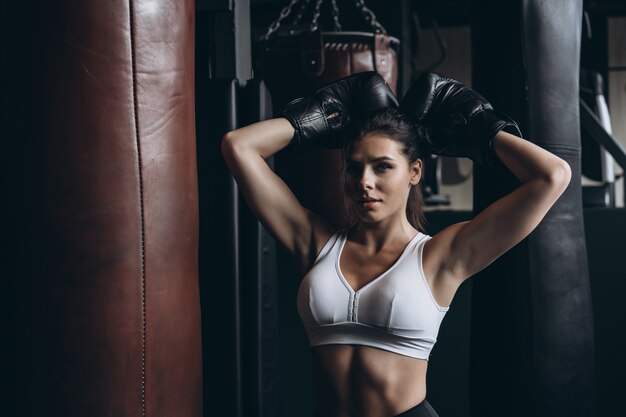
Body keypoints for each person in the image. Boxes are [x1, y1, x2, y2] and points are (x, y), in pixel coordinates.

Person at [221, 71, 571, 417]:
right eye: (353, 167)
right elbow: (239, 146)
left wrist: (483, 129)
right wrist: (318, 114)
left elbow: (552, 175)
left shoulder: (441, 256)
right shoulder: (315, 243)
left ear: (414, 172)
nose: (364, 182)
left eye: (383, 166)